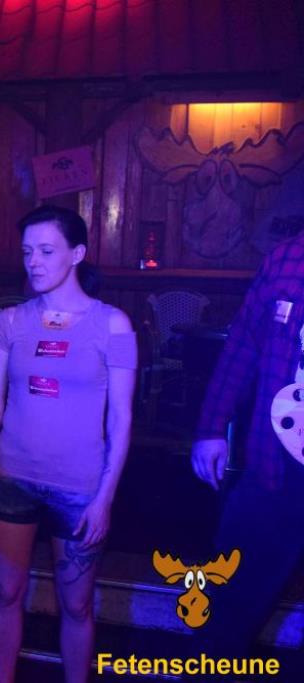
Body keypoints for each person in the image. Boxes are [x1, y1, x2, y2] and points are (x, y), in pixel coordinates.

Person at [0, 206, 137, 683]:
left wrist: (105, 498)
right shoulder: (8, 322)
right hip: (11, 478)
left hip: (79, 486)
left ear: (77, 254)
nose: (34, 262)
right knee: (5, 593)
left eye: (46, 251)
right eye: (28, 252)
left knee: (77, 604)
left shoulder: (115, 325)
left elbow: (122, 417)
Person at [190, 231, 304, 677]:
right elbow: (244, 344)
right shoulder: (287, 258)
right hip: (275, 466)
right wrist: (211, 427)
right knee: (229, 607)